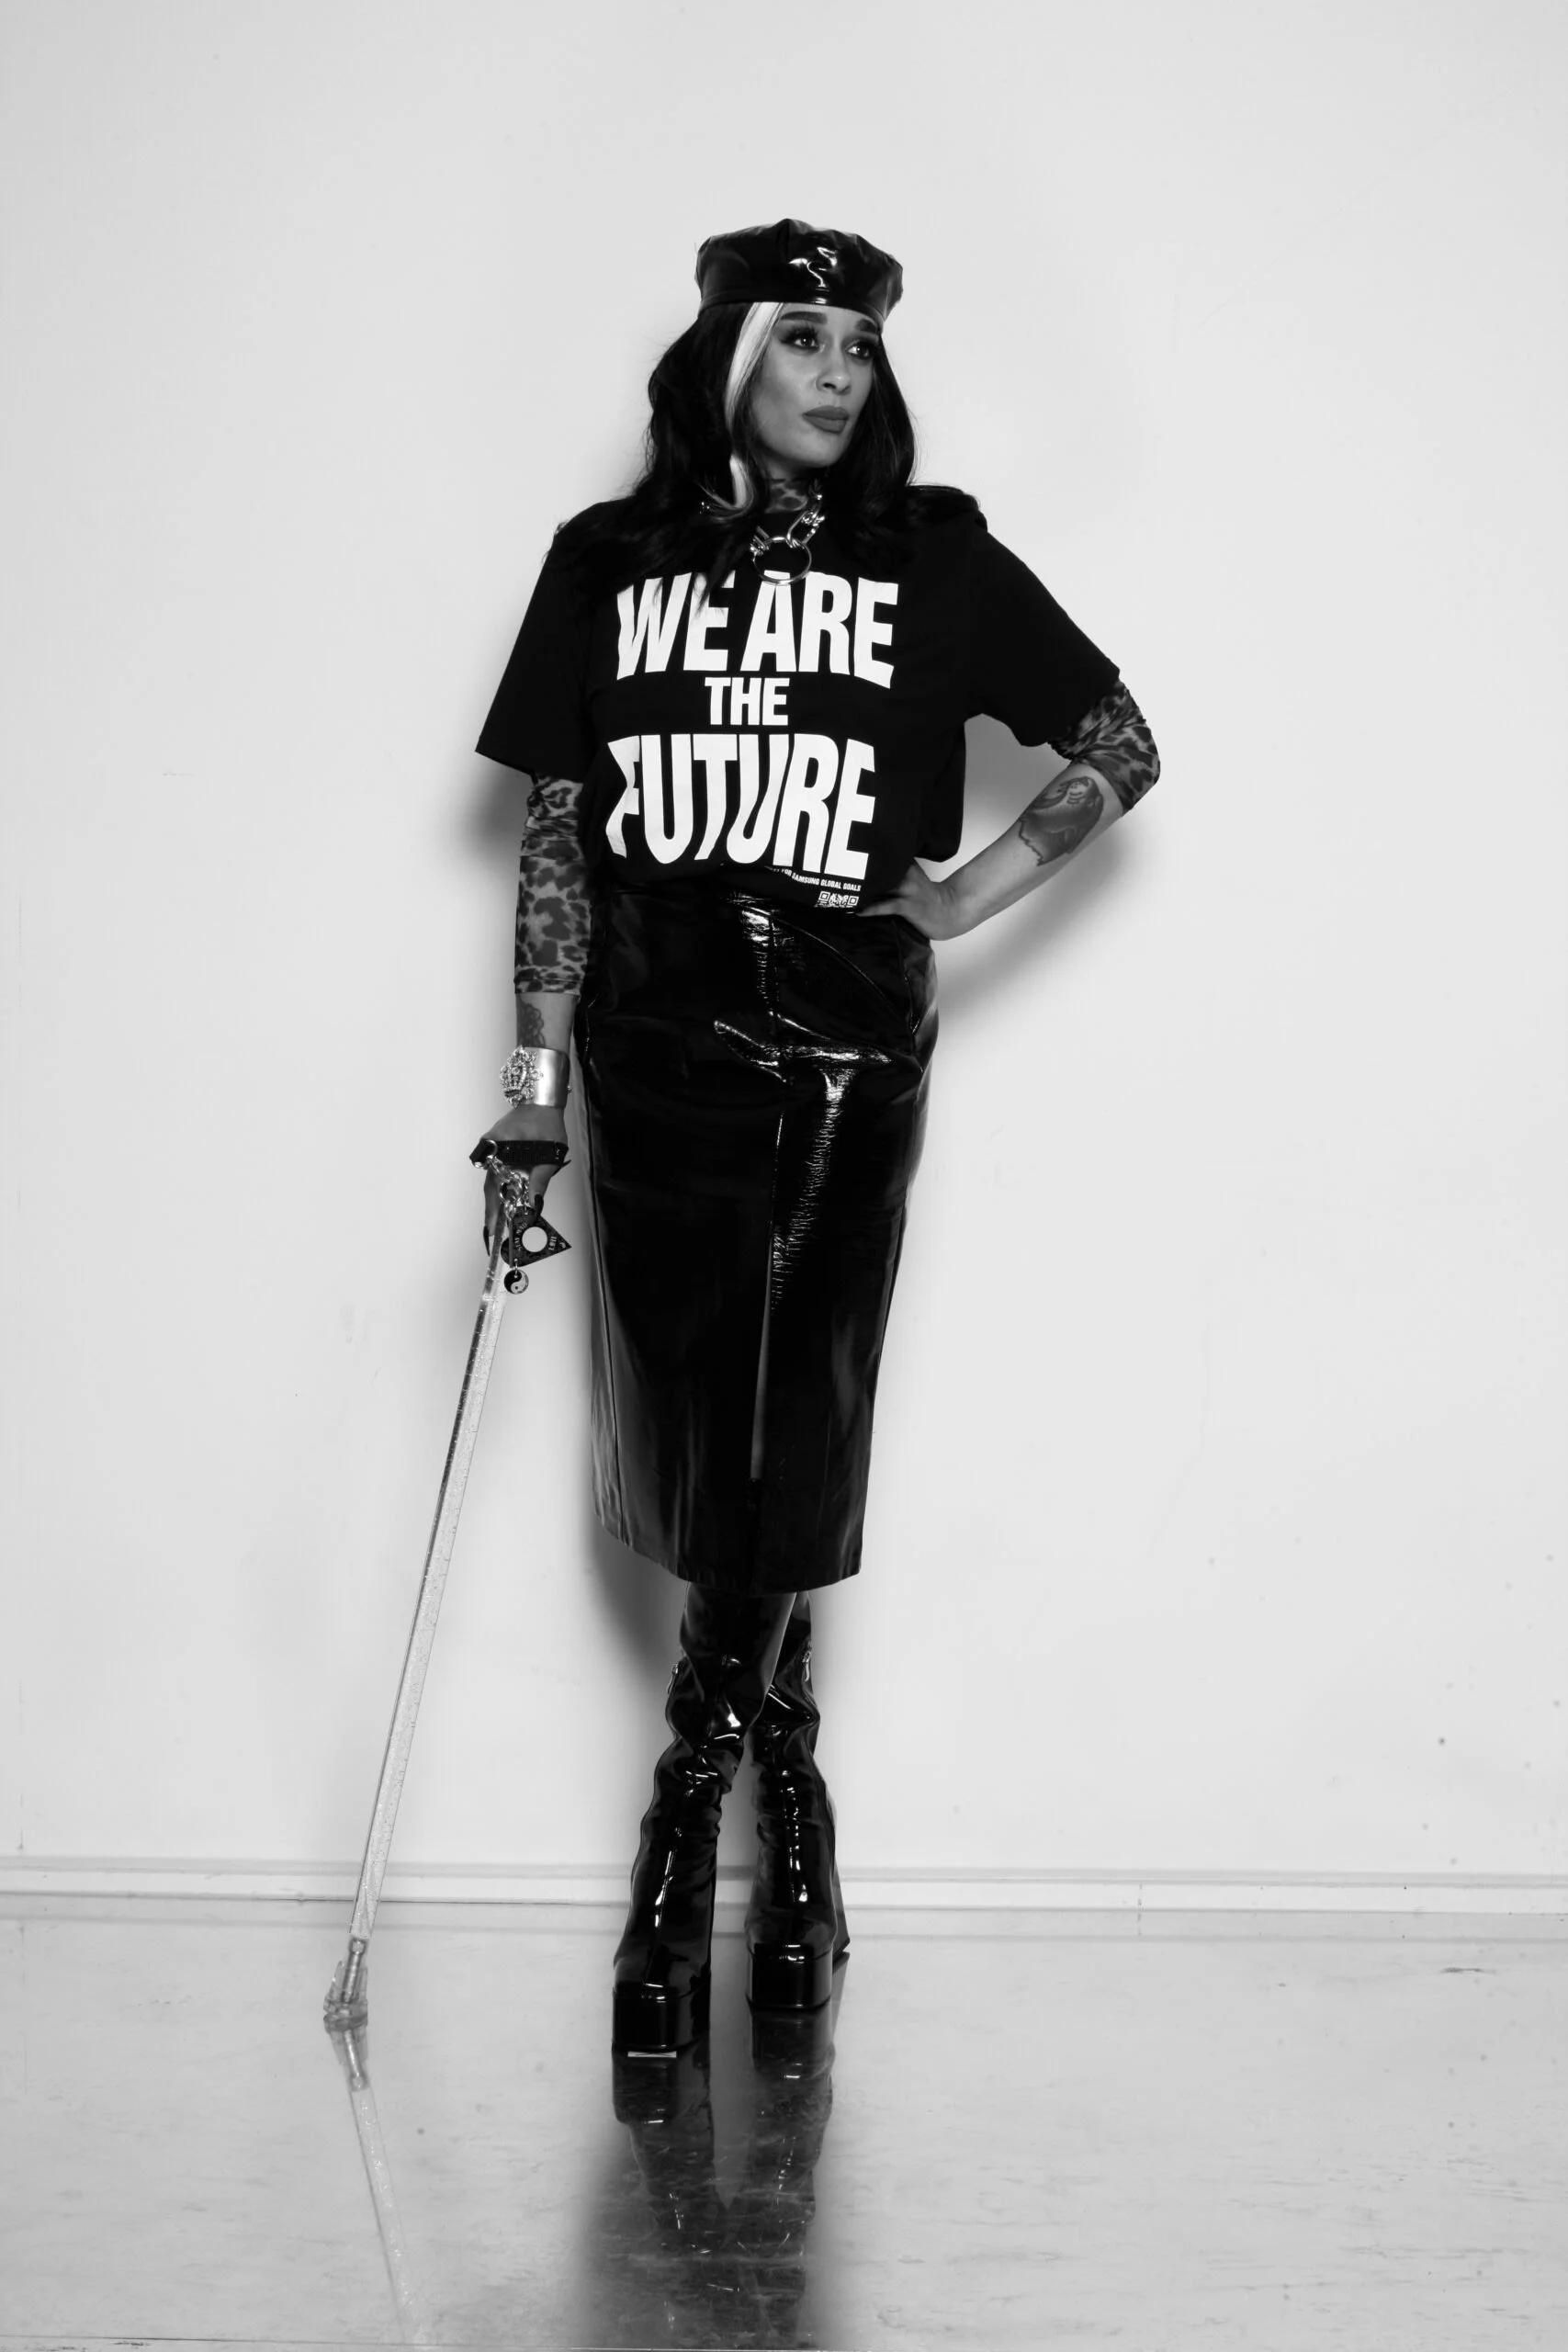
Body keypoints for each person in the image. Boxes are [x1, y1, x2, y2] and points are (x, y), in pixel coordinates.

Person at [473, 219, 1160, 2058]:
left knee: (792, 1409)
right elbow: (557, 840)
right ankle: (795, 1809)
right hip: (652, 1043)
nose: (838, 371)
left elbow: (1117, 736)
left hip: (848, 1051)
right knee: (693, 1407)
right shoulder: (608, 566)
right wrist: (531, 1101)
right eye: (802, 337)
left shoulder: (928, 557)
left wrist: (963, 896)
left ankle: (680, 1823)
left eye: (857, 342)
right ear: (723, 361)